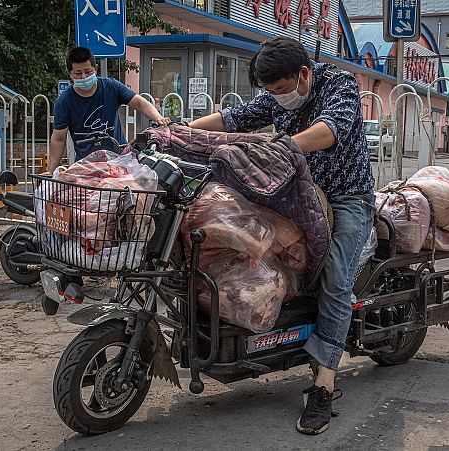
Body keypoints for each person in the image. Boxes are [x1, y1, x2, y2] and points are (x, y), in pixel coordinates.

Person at [189, 37, 375, 435]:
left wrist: (284, 146)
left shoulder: (339, 84)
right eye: (270, 91)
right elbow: (234, 118)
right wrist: (180, 132)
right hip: (295, 195)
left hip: (346, 198)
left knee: (336, 279)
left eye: (280, 89)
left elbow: (330, 129)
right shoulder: (276, 96)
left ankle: (324, 384)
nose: (276, 97)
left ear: (303, 74)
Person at [47, 47, 170, 173]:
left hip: (119, 161)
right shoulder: (64, 101)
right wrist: (51, 171)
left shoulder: (111, 87)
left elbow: (139, 102)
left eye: (88, 71)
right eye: (78, 74)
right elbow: (59, 138)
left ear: (96, 69)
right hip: (86, 167)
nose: (84, 77)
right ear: (70, 74)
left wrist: (158, 117)